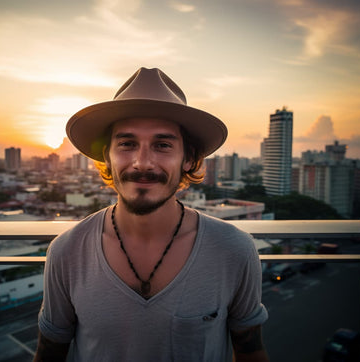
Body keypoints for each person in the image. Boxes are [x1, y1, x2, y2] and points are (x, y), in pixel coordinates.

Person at [34, 67, 269, 362]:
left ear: (190, 159)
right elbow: (48, 354)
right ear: (107, 155)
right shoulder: (67, 252)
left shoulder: (233, 250)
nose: (142, 162)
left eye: (162, 145)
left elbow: (250, 351)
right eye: (127, 144)